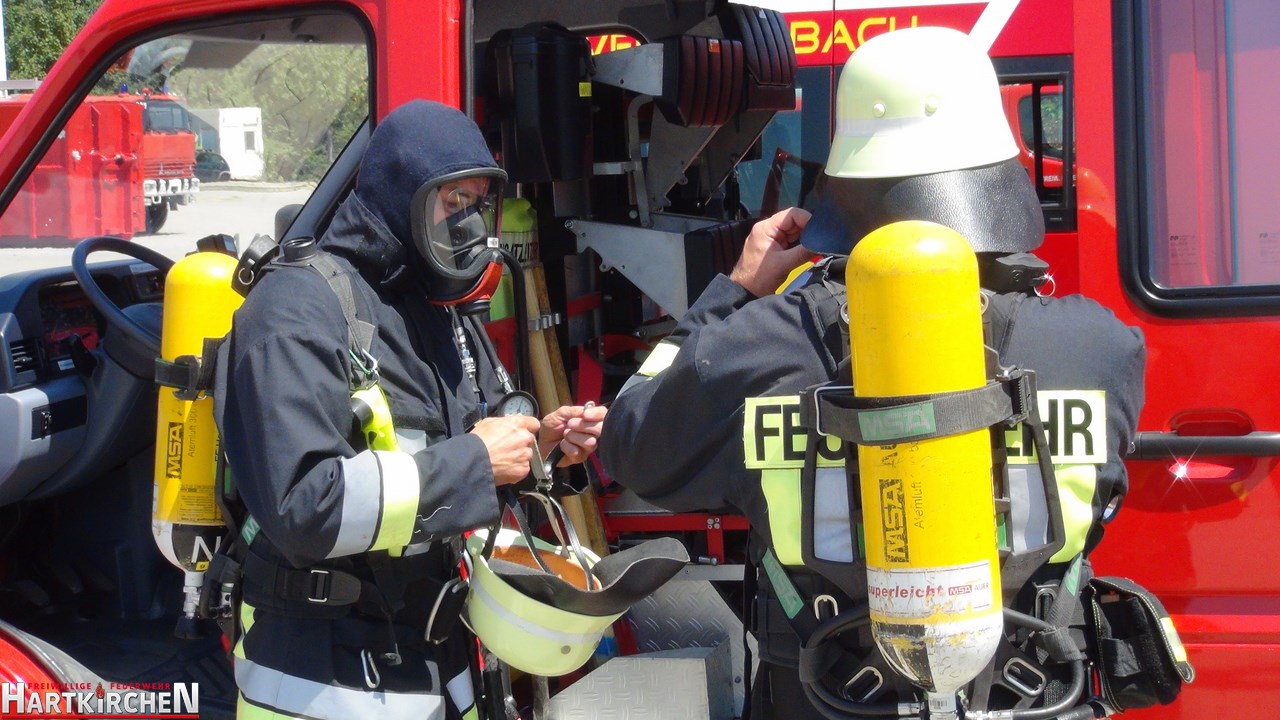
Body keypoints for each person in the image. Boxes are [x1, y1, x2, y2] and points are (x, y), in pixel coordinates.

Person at [600, 26, 1146, 719]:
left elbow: (629, 440)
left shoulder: (759, 346)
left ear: (844, 184)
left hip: (829, 699)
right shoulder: (1101, 347)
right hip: (1034, 697)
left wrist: (735, 290)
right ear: (997, 171)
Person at [214, 99, 606, 720]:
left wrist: (539, 452)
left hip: (432, 661)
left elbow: (457, 454)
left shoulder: (434, 310)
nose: (470, 224)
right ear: (402, 195)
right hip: (324, 679)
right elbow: (302, 509)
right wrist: (477, 462)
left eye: (479, 204)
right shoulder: (293, 310)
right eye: (453, 202)